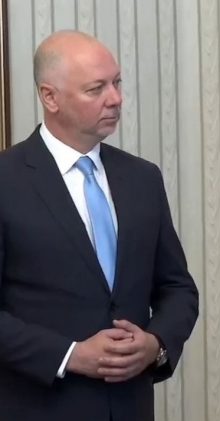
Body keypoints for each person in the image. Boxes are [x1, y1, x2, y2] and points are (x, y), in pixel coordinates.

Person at [0, 30, 199, 421]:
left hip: (130, 407)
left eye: (117, 83)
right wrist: (70, 355)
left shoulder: (142, 178)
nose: (116, 98)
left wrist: (155, 344)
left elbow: (177, 288)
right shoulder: (7, 180)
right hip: (39, 406)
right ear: (50, 97)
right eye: (96, 89)